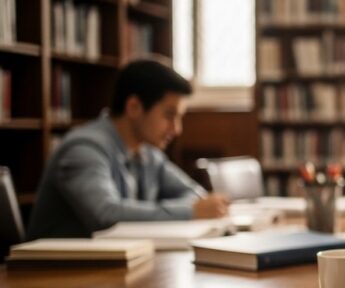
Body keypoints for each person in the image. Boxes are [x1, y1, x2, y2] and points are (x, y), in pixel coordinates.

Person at [27, 60, 229, 240]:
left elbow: (196, 195)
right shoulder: (83, 150)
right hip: (54, 276)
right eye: (169, 115)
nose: (177, 129)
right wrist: (190, 212)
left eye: (180, 118)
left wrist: (197, 208)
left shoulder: (148, 153)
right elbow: (106, 215)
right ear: (134, 107)